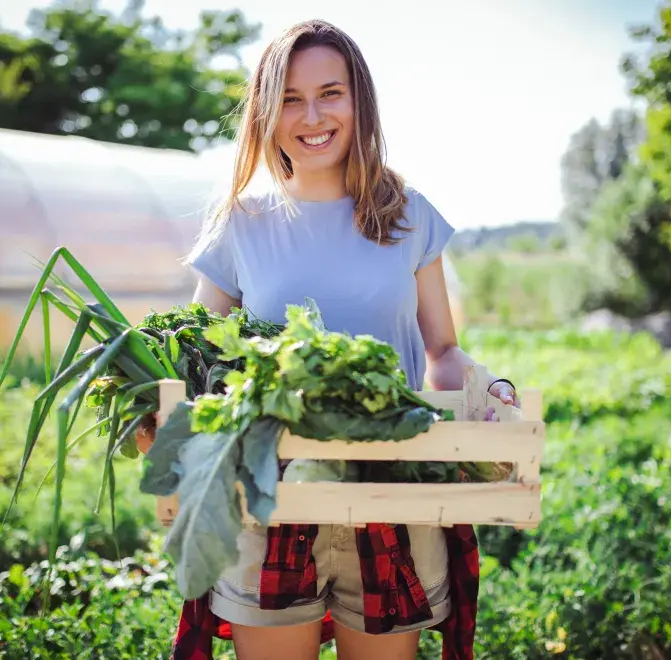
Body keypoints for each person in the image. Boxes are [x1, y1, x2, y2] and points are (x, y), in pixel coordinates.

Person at [136, 18, 520, 660]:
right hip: (267, 492)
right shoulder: (242, 223)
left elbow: (442, 351)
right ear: (265, 110)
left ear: (358, 100)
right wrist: (155, 405)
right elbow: (194, 355)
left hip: (390, 488)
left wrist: (486, 397)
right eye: (289, 98)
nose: (311, 115)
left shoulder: (408, 214)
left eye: (330, 93)